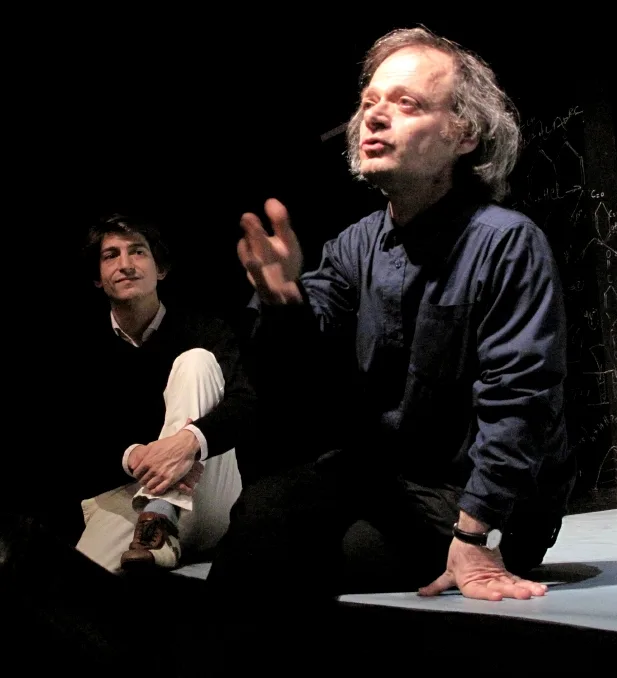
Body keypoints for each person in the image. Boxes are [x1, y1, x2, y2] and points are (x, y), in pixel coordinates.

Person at [207, 26, 575, 604]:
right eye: (370, 101)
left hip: (485, 501)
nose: (374, 117)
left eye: (406, 103)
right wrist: (283, 302)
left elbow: (520, 400)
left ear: (464, 133)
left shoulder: (506, 242)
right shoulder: (355, 245)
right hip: (391, 482)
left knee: (337, 554)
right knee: (262, 515)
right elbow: (299, 362)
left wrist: (474, 535)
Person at [74, 213, 257, 573]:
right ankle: (158, 519)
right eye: (111, 255)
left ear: (160, 269)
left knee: (196, 362)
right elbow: (79, 437)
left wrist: (187, 444)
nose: (125, 264)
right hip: (133, 495)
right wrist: (136, 456)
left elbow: (246, 406)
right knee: (75, 583)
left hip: (209, 491)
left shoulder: (205, 330)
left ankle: (161, 510)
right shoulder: (85, 350)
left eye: (138, 252)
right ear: (98, 278)